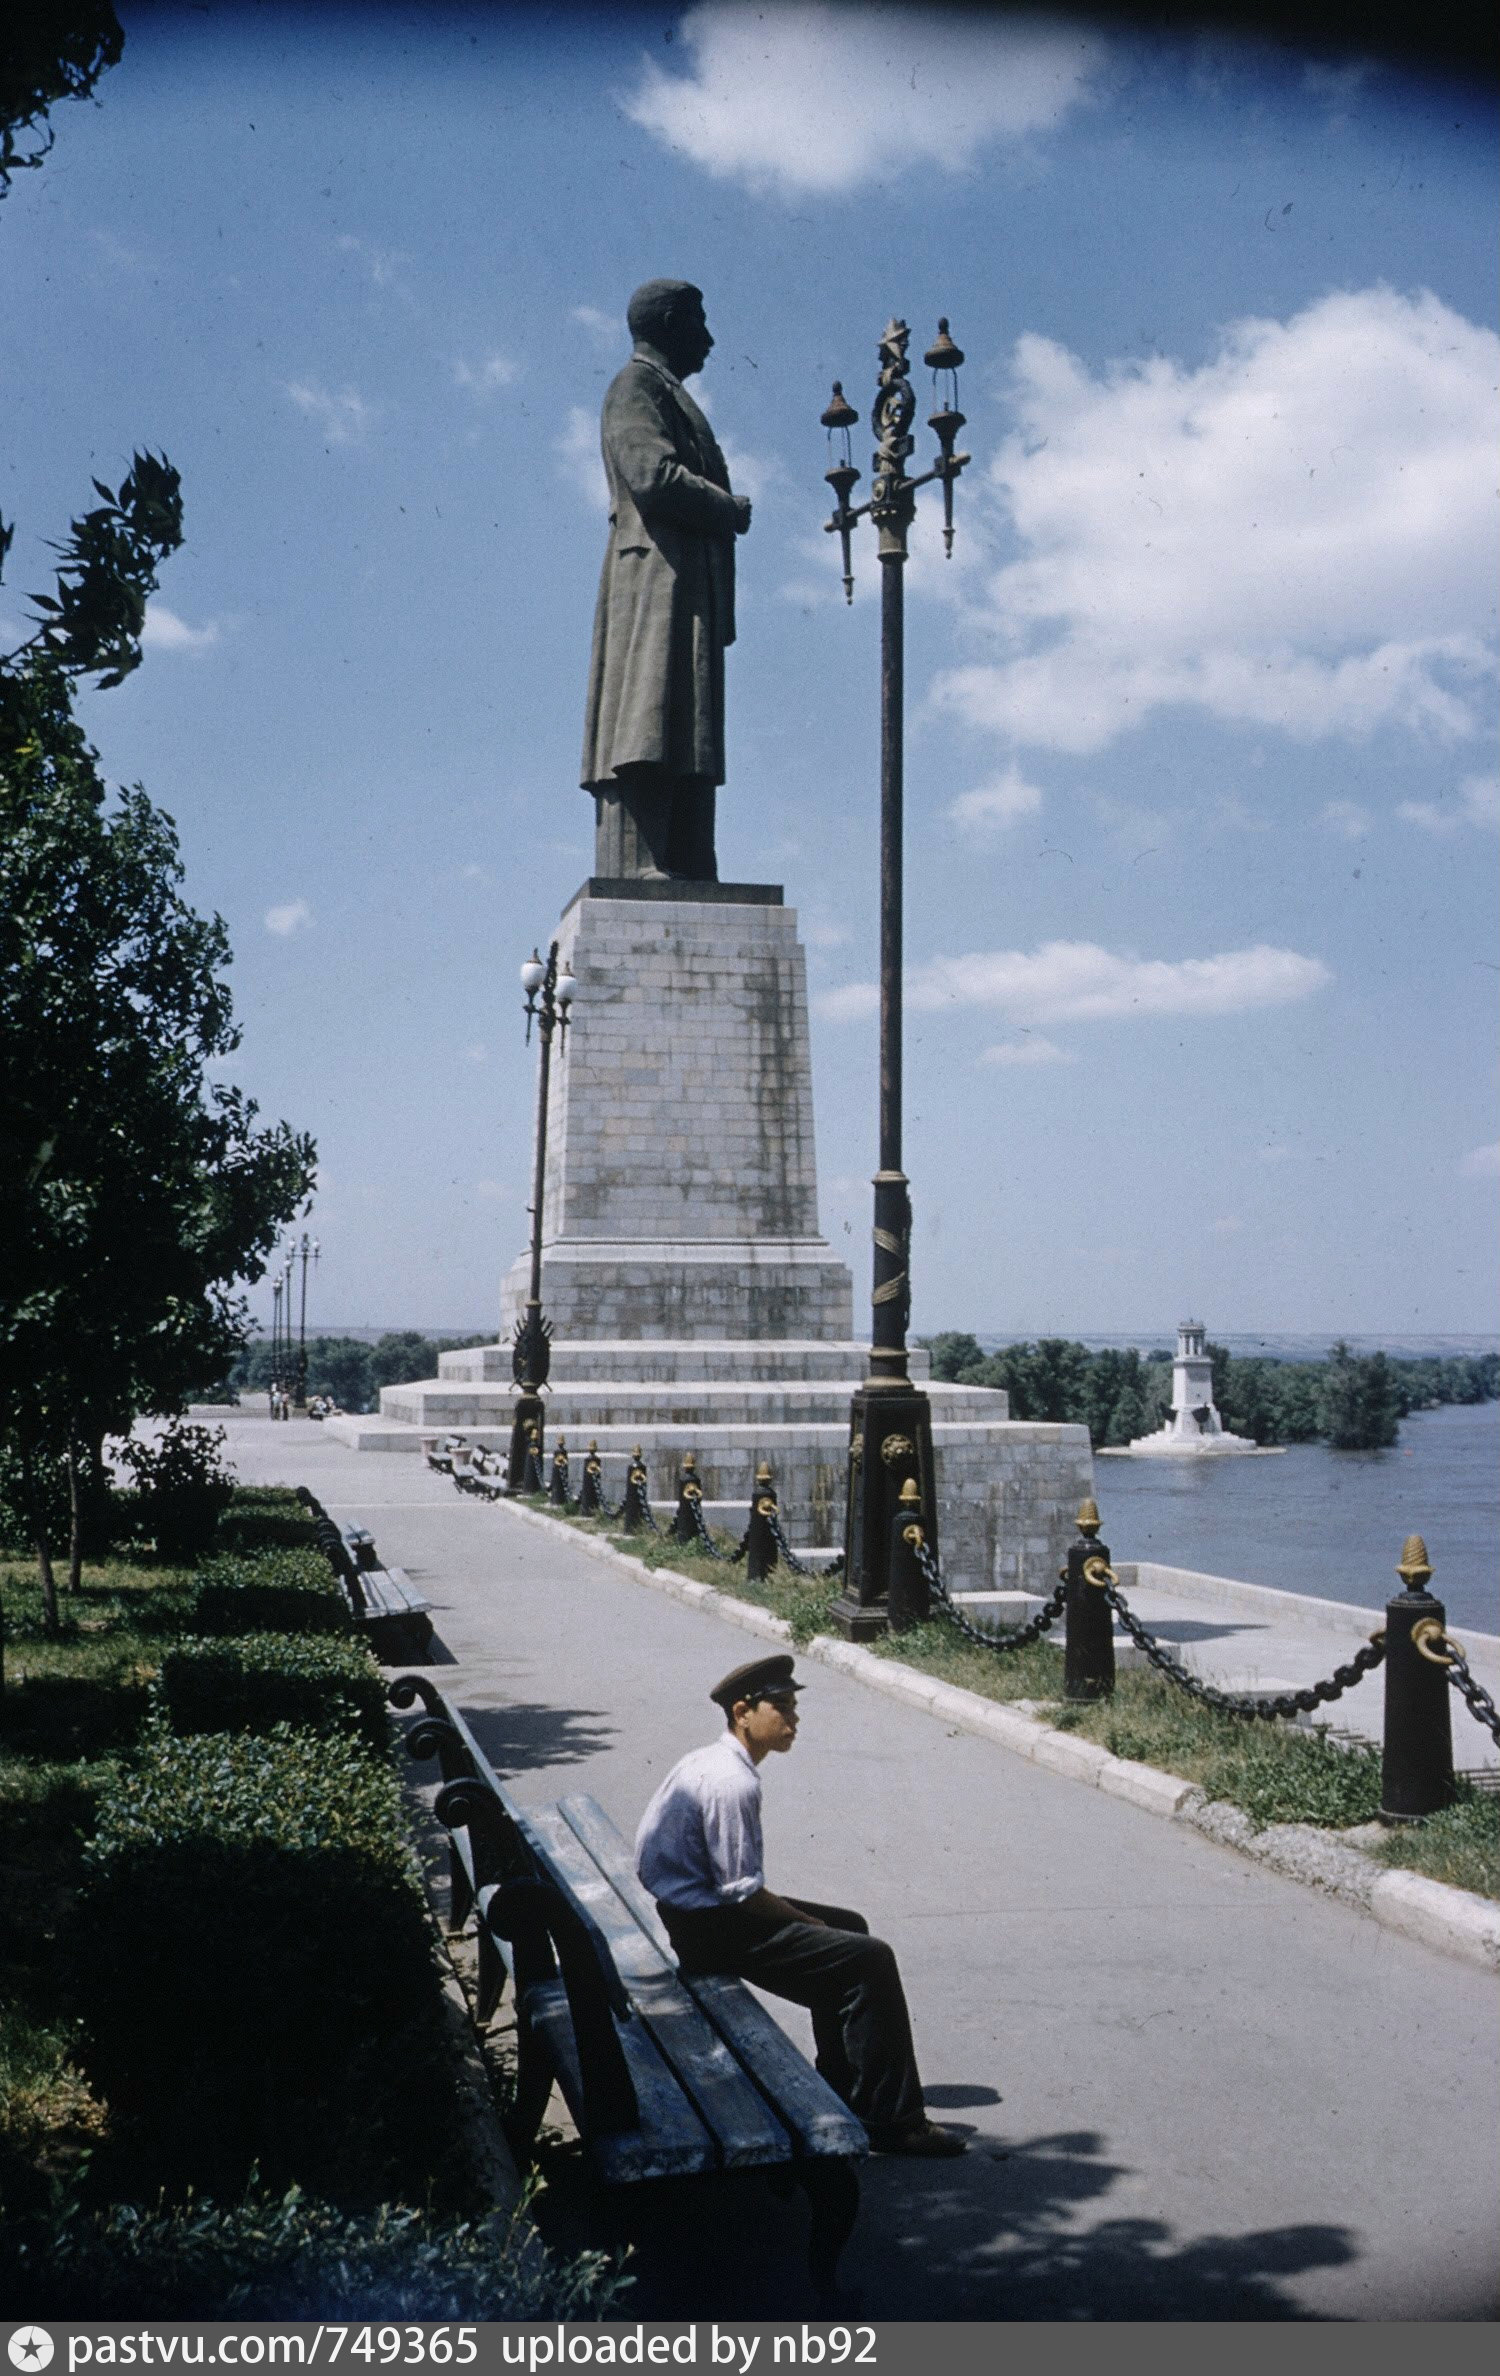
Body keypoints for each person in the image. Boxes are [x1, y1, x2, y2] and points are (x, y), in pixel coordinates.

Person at [634, 1652, 967, 2157]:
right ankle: (896, 2122)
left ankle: (843, 2085)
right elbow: (742, 1892)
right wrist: (802, 1919)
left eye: (793, 1707)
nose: (793, 1720)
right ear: (742, 1711)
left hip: (696, 1913)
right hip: (711, 1928)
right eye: (781, 1708)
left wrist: (807, 1921)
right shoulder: (733, 1782)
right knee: (870, 1958)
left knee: (849, 1926)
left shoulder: (707, 1761)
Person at [580, 279, 752, 884]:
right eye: (699, 321)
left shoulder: (666, 390)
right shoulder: (636, 385)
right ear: (673, 321)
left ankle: (687, 857)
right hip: (656, 577)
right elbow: (651, 474)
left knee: (688, 722)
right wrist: (727, 507)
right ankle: (645, 861)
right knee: (650, 713)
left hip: (684, 580)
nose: (709, 337)